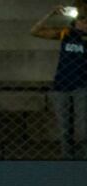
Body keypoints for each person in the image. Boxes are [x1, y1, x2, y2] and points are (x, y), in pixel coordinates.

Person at [31, 6, 87, 159]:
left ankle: (83, 160)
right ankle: (67, 159)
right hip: (61, 86)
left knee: (83, 128)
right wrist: (50, 14)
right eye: (81, 20)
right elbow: (35, 31)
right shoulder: (66, 34)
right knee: (64, 129)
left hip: (82, 86)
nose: (84, 23)